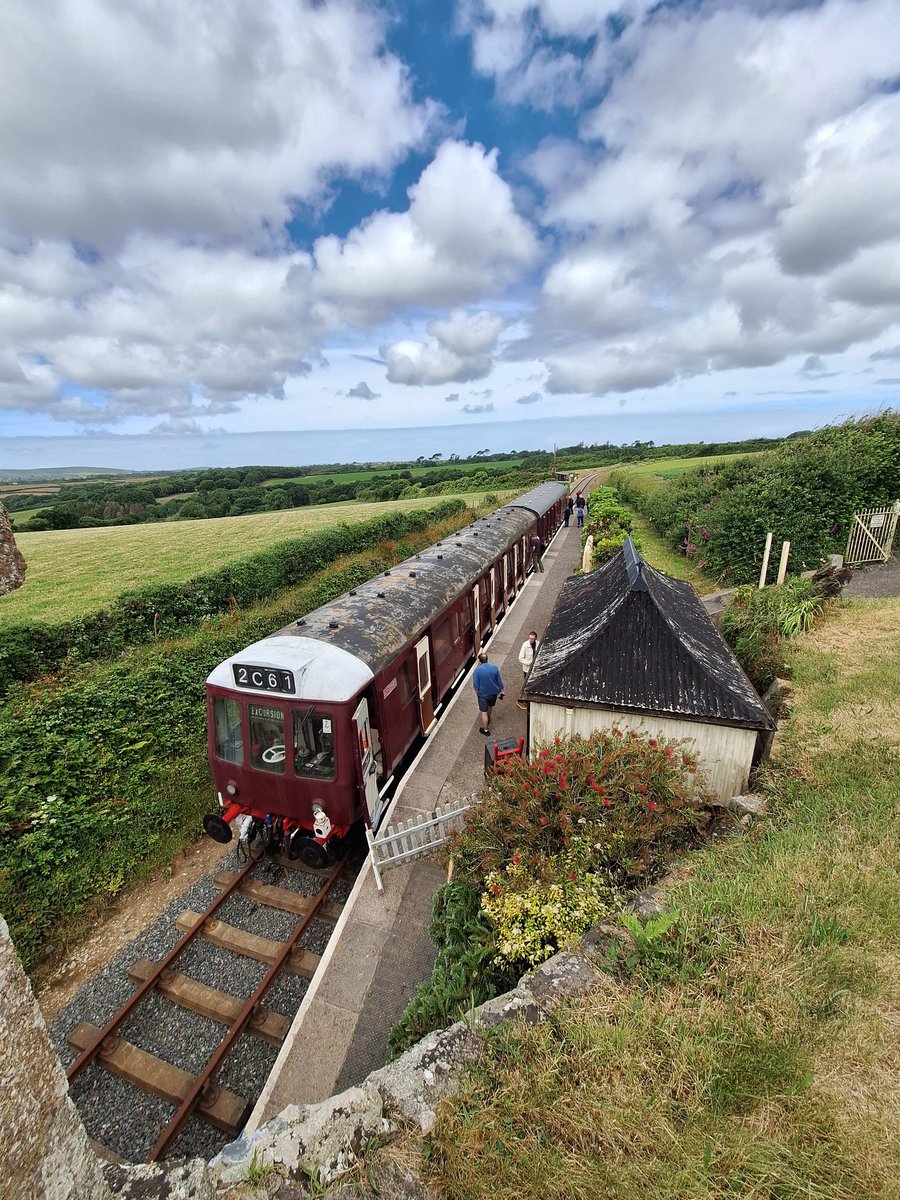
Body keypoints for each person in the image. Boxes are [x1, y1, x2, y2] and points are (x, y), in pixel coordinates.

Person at [472, 650, 504, 736]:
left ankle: (486, 730)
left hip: (483, 694)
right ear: (487, 659)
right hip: (493, 693)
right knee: (490, 707)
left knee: (483, 712)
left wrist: (477, 694)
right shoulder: (495, 668)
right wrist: (501, 690)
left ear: (479, 661)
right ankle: (488, 718)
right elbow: (499, 681)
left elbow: (475, 685)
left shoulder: (477, 670)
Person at [517, 630, 538, 709]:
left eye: (532, 639)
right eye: (530, 638)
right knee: (526, 683)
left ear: (535, 638)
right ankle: (521, 700)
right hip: (527, 668)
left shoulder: (538, 643)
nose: (531, 640)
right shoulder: (525, 645)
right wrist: (528, 662)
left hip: (534, 668)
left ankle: (527, 698)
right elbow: (520, 658)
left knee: (532, 682)